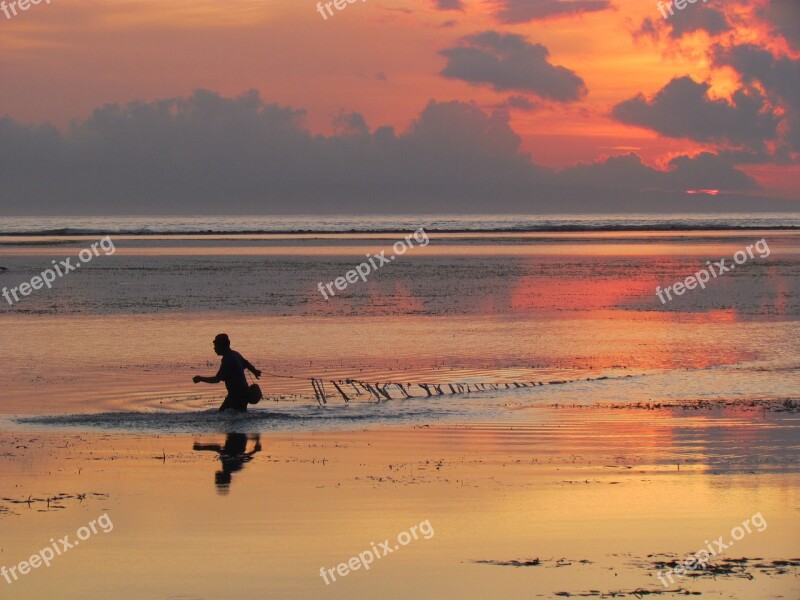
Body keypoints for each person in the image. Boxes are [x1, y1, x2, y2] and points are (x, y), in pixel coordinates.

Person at [193, 333, 262, 412]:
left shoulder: (228, 359)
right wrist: (255, 371)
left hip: (236, 396)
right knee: (238, 415)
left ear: (222, 346)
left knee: (222, 414)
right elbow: (247, 364)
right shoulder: (236, 354)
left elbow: (217, 379)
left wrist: (200, 379)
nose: (214, 348)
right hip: (244, 393)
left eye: (216, 345)